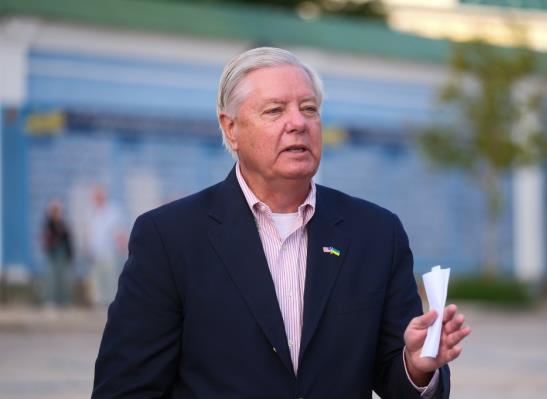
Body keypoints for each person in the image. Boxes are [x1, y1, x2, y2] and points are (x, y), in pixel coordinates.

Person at [93, 47, 470, 398]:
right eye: (275, 111)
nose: (298, 124)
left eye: (309, 109)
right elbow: (126, 388)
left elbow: (395, 374)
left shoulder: (375, 233)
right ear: (231, 129)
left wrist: (415, 367)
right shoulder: (170, 238)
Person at [86, 186, 127, 307]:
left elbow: (119, 230)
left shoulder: (113, 210)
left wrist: (122, 246)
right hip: (96, 252)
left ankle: (113, 303)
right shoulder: (92, 212)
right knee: (99, 279)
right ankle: (101, 303)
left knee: (111, 279)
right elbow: (90, 231)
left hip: (110, 251)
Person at [42, 199, 73, 306]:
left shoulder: (63, 225)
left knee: (64, 280)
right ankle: (51, 301)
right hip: (52, 256)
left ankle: (64, 302)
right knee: (51, 279)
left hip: (63, 258)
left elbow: (68, 241)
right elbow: (47, 240)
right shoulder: (48, 225)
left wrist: (70, 255)